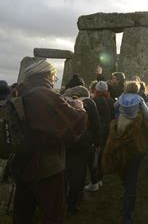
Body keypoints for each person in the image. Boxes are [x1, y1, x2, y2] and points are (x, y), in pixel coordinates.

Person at [9, 59, 88, 224]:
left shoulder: (18, 91)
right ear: (47, 75)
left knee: (23, 212)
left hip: (22, 160)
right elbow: (71, 124)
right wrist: (80, 108)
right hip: (46, 164)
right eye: (54, 77)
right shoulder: (44, 95)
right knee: (53, 213)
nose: (54, 81)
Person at [103, 81, 148, 223]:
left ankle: (126, 185)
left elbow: (114, 108)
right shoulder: (139, 100)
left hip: (121, 135)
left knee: (124, 167)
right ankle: (128, 211)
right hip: (134, 138)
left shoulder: (120, 98)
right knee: (133, 175)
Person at [63, 86, 101, 215]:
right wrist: (97, 142)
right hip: (83, 143)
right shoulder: (90, 103)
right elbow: (96, 123)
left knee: (64, 172)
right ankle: (73, 204)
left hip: (66, 142)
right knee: (78, 174)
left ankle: (61, 201)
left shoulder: (64, 101)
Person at [87, 81, 115, 191]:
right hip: (108, 132)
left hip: (96, 133)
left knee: (94, 158)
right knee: (102, 156)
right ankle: (100, 179)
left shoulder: (93, 101)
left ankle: (94, 182)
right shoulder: (111, 100)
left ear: (96, 91)